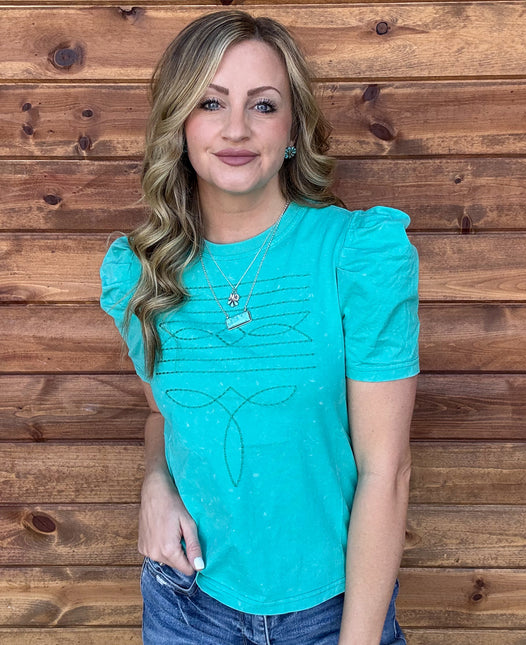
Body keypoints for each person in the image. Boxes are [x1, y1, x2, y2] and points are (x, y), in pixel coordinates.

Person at [100, 10, 419, 645]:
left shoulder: (357, 256)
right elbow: (165, 415)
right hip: (186, 605)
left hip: (332, 613)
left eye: (264, 105)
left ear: (293, 129)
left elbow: (387, 470)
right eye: (211, 102)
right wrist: (155, 483)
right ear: (179, 125)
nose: (237, 128)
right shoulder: (140, 272)